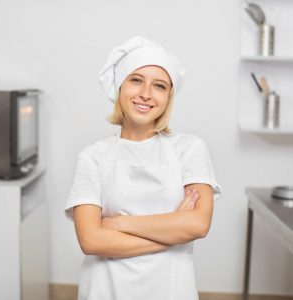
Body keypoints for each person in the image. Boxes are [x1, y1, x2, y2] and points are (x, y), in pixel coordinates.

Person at [65, 36, 222, 300]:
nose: (146, 94)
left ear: (168, 97)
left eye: (159, 86)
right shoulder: (93, 157)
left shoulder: (190, 149)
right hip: (105, 290)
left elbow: (198, 224)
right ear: (120, 87)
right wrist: (173, 231)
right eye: (136, 80)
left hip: (170, 290)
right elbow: (91, 241)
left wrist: (118, 224)